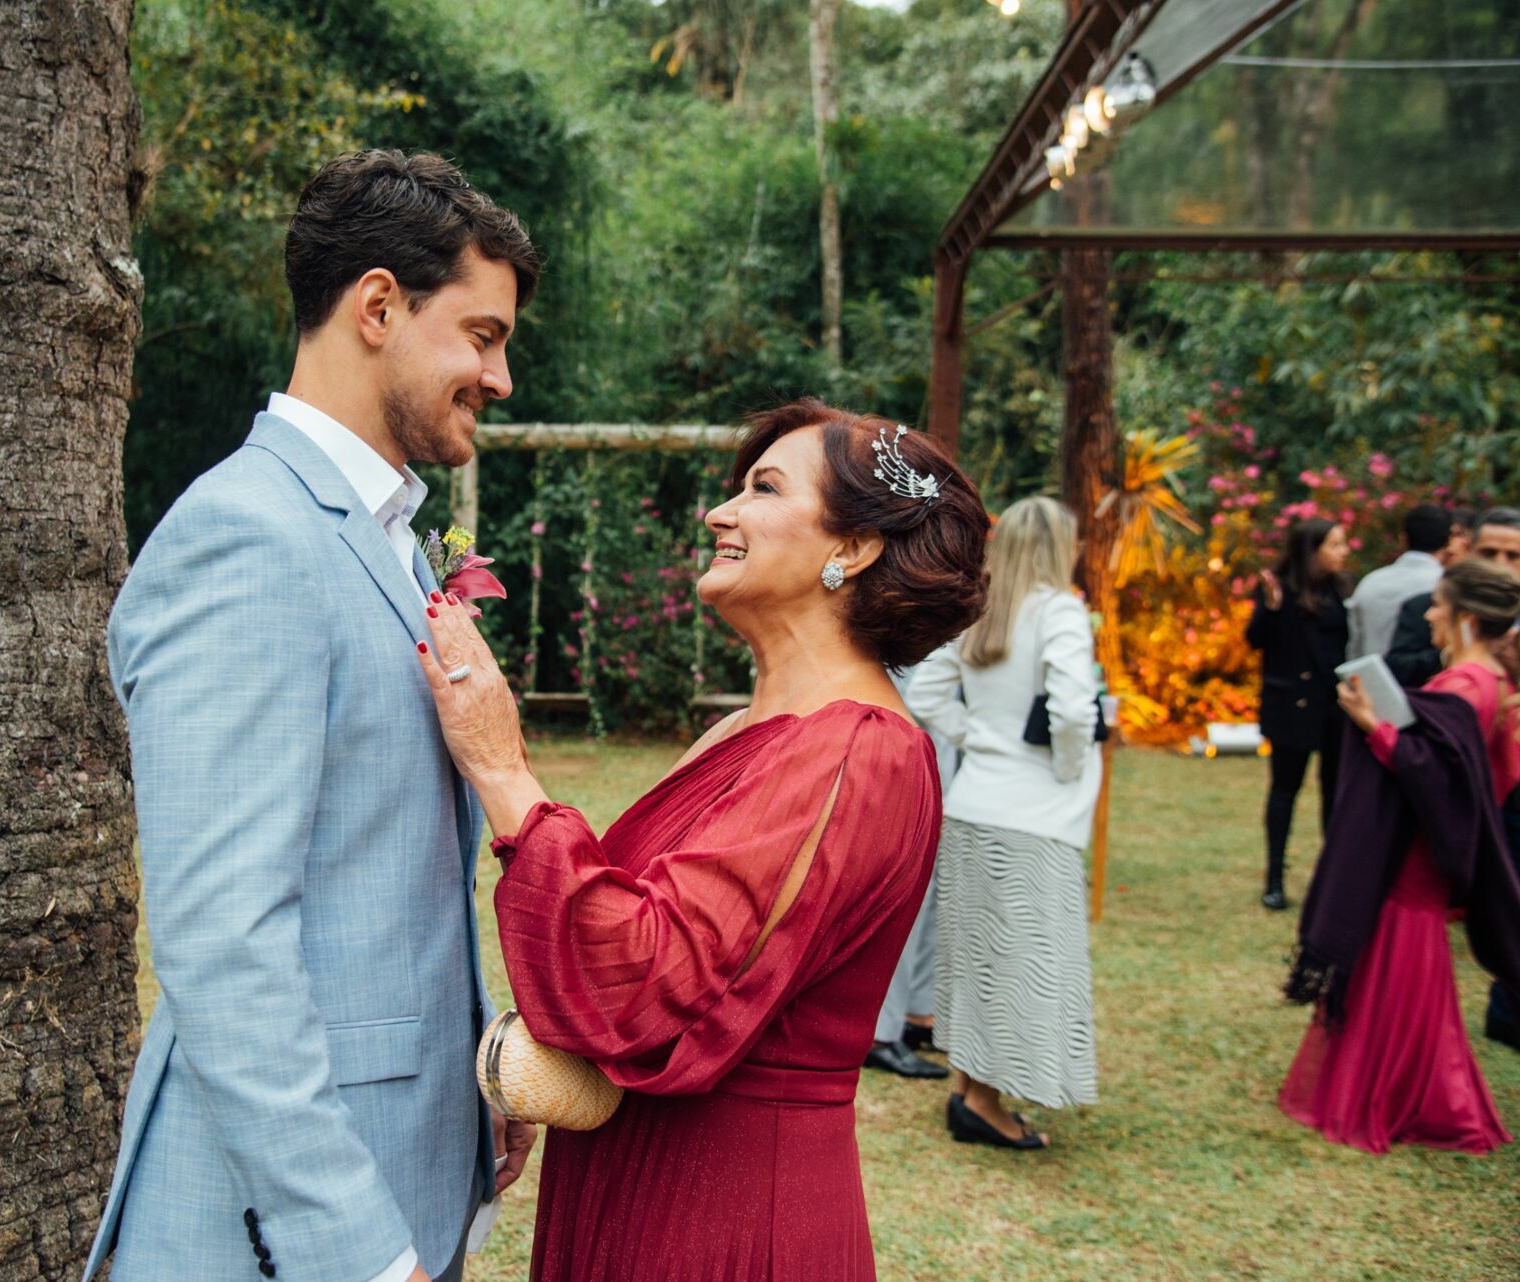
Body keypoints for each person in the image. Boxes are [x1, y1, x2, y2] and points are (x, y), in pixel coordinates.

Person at [83, 151, 541, 1282]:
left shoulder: (373, 527)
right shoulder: (247, 536)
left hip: (399, 1156)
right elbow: (225, 944)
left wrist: (463, 1090)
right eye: (483, 335)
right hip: (277, 1229)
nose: (502, 375)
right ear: (379, 306)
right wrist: (355, 1252)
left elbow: (379, 874)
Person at [415, 399, 989, 1281]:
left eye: (763, 488)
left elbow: (646, 981)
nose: (719, 513)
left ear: (852, 549)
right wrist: (542, 1059)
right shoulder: (744, 733)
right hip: (633, 1179)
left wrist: (502, 771)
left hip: (724, 1212)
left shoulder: (858, 753)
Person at [1281, 557, 1520, 1154]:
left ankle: (1407, 1097)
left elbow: (1444, 777)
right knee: (1404, 969)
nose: (1434, 618)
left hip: (1417, 853)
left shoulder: (1469, 685)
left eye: (1441, 608)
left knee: (1402, 963)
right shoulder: (1492, 677)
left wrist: (1377, 727)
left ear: (1467, 618)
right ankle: (1410, 1088)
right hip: (1420, 847)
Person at [906, 496, 1102, 1151]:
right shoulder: (1061, 612)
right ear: (1058, 546)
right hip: (1034, 816)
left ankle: (967, 1088)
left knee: (978, 958)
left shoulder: (980, 613)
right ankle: (985, 1100)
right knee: (1022, 960)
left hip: (976, 804)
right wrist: (1069, 768)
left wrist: (981, 739)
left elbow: (928, 695)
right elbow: (1075, 712)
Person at [1247, 519, 1351, 911]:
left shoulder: (1343, 588)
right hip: (1292, 704)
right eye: (1336, 544)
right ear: (1312, 549)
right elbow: (1256, 640)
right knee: (1285, 789)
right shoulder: (1279, 586)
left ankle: (1332, 879)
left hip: (1334, 706)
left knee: (1334, 793)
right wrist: (1272, 610)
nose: (1343, 551)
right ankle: (1275, 878)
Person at [862, 691, 955, 1081]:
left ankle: (917, 1012)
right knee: (910, 885)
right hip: (913, 730)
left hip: (949, 742)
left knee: (937, 884)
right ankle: (881, 1033)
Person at [1387, 507, 1520, 687]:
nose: (1500, 563)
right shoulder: (1425, 607)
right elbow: (1397, 669)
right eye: (1489, 553)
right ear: (1470, 551)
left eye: (1512, 555)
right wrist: (1457, 650)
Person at [1345, 503, 1453, 660]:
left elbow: (1354, 647)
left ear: (1403, 539)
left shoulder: (1370, 582)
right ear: (1448, 542)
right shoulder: (1447, 587)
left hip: (1372, 680)